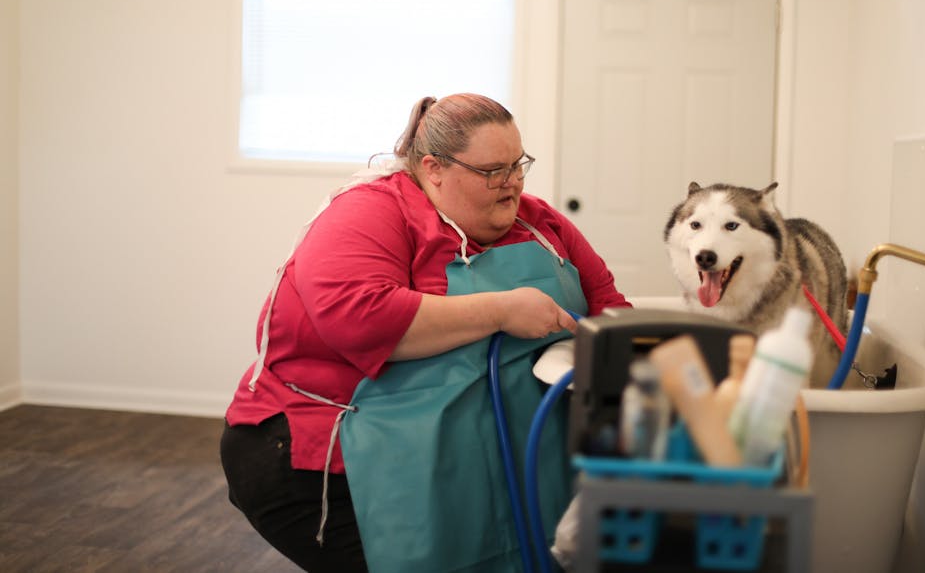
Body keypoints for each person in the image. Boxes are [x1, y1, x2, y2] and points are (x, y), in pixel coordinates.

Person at [220, 93, 630, 572]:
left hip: (474, 463)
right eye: (492, 171)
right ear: (433, 168)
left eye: (519, 165)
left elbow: (612, 312)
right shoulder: (370, 212)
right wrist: (500, 310)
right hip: (326, 462)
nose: (514, 182)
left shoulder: (540, 223)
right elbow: (359, 315)